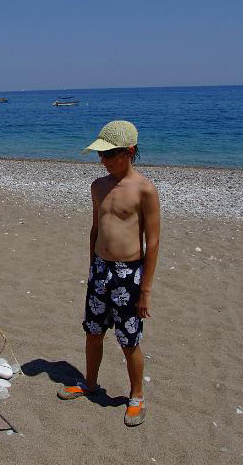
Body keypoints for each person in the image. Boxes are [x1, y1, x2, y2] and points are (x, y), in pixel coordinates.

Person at [58, 120, 160, 427]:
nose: (103, 161)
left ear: (129, 152)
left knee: (129, 341)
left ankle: (137, 396)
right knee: (92, 332)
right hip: (100, 270)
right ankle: (90, 382)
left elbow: (152, 241)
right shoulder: (98, 186)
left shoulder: (144, 189)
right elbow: (95, 228)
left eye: (110, 155)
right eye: (101, 155)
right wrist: (92, 266)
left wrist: (145, 290)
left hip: (129, 275)